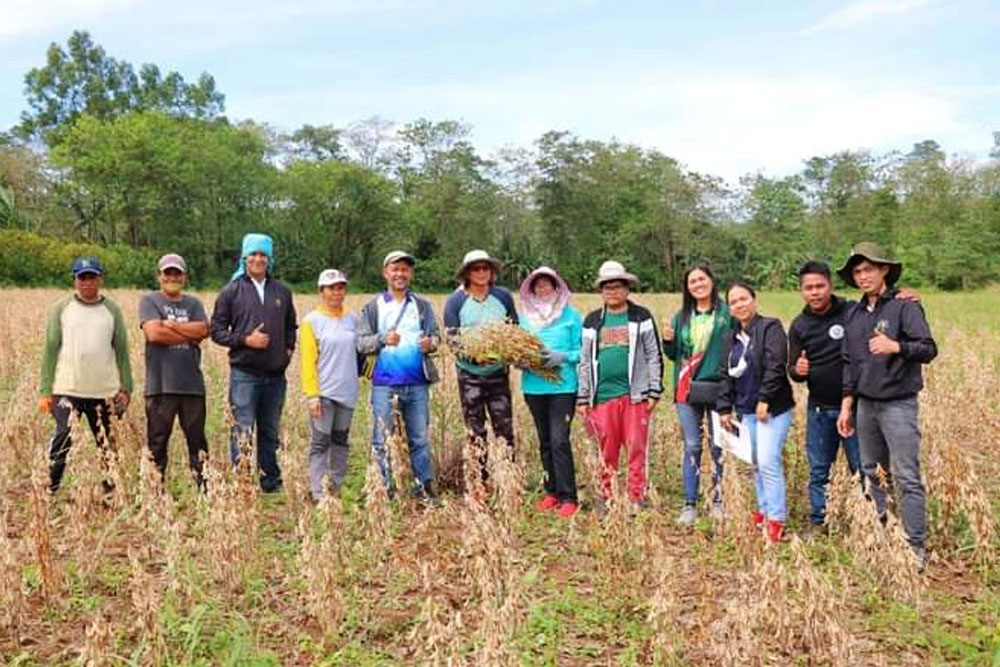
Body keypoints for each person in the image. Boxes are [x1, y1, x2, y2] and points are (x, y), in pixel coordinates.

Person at [835, 243, 937, 569]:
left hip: (898, 404)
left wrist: (896, 345)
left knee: (906, 475)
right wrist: (847, 405)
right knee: (871, 473)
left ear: (884, 271)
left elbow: (928, 348)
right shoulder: (854, 314)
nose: (863, 275)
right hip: (865, 405)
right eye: (857, 271)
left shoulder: (905, 307)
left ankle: (914, 546)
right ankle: (882, 536)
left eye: (869, 269)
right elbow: (849, 363)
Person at [210, 233, 297, 493]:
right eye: (254, 254)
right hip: (244, 374)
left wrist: (288, 350)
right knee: (242, 429)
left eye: (263, 255)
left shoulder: (281, 290)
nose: (258, 259)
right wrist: (246, 340)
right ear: (244, 258)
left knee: (270, 432)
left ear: (270, 259)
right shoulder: (231, 291)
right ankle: (242, 482)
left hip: (275, 376)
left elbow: (290, 326)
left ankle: (270, 480)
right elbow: (216, 331)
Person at [39, 257, 133, 493]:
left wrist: (126, 388)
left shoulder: (112, 310)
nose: (87, 283)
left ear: (101, 279)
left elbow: (121, 349)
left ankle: (111, 492)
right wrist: (45, 391)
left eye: (92, 277)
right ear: (75, 280)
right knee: (63, 436)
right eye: (82, 277)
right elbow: (50, 349)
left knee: (107, 442)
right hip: (67, 388)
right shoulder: (61, 309)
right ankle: (50, 489)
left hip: (103, 390)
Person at [577, 260, 663, 513]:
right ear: (601, 291)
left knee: (636, 447)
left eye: (618, 286)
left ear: (627, 289)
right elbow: (584, 361)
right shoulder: (592, 321)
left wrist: (654, 391)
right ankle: (608, 495)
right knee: (607, 449)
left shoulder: (641, 316)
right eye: (607, 287)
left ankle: (636, 496)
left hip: (634, 396)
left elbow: (653, 354)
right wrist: (583, 398)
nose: (612, 291)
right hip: (601, 397)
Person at [357, 251, 441, 501]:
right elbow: (361, 343)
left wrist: (431, 343)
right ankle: (382, 488)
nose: (400, 274)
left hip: (417, 384)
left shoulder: (422, 305)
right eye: (395, 269)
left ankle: (423, 488)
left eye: (405, 269)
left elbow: (436, 336)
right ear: (386, 273)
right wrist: (383, 339)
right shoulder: (373, 307)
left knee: (419, 439)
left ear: (410, 274)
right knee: (381, 440)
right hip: (384, 384)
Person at [716, 281, 794, 544]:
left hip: (773, 409)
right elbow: (724, 375)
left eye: (743, 299)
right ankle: (763, 511)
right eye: (734, 301)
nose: (739, 305)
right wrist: (724, 408)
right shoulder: (729, 337)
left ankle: (776, 520)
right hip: (746, 410)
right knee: (757, 464)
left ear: (754, 299)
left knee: (769, 462)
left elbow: (776, 365)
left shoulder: (770, 327)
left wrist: (765, 399)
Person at [662, 263, 735, 525]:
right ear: (687, 287)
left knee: (718, 446)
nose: (698, 285)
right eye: (692, 282)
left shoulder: (728, 314)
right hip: (687, 389)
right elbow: (673, 356)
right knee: (692, 446)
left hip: (719, 389)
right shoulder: (680, 317)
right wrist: (668, 341)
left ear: (712, 281)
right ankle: (690, 504)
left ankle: (718, 500)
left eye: (702, 279)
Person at [443, 250, 519, 479]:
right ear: (467, 273)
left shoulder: (503, 296)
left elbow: (514, 329)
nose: (481, 273)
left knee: (504, 429)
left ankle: (509, 480)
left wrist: (505, 351)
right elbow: (453, 340)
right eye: (476, 269)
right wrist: (474, 356)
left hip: (498, 374)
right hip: (470, 375)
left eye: (485, 268)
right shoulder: (456, 301)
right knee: (475, 431)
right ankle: (481, 482)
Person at [139, 253, 210, 490]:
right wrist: (187, 334)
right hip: (160, 386)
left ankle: (206, 491)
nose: (172, 277)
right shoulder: (150, 301)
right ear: (159, 276)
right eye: (167, 273)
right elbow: (154, 334)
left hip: (192, 385)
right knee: (157, 443)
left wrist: (173, 325)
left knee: (197, 442)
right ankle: (155, 493)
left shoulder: (194, 303)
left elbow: (203, 330)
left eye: (176, 273)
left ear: (184, 277)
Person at [518, 266, 582, 518]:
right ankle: (552, 492)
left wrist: (562, 357)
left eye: (548, 285)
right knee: (544, 441)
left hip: (563, 387)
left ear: (557, 288)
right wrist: (520, 360)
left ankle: (569, 496)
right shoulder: (525, 319)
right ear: (532, 290)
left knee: (559, 440)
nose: (543, 289)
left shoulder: (571, 316)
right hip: (533, 387)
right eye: (538, 285)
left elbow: (582, 351)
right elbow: (518, 347)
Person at [301, 269, 359, 502]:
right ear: (321, 291)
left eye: (340, 287)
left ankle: (335, 488)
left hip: (347, 391)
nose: (336, 292)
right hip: (323, 393)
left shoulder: (353, 319)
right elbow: (308, 361)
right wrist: (312, 395)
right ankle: (317, 493)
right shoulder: (311, 321)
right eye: (331, 288)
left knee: (340, 441)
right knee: (320, 442)